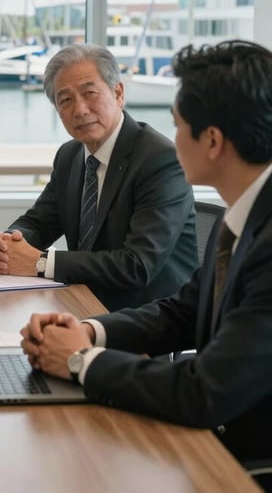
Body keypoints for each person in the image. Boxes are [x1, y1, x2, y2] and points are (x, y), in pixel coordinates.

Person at [20, 40, 272, 480]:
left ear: (212, 141)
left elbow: (202, 390)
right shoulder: (245, 218)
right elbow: (181, 312)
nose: (171, 138)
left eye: (178, 125)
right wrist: (88, 330)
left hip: (242, 465)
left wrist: (80, 360)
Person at [0, 43, 196, 311]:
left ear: (118, 93)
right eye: (65, 100)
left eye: (90, 93)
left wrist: (41, 262)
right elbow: (38, 223)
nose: (80, 109)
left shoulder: (160, 160)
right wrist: (8, 245)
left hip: (147, 316)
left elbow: (137, 265)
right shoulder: (70, 155)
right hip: (81, 301)